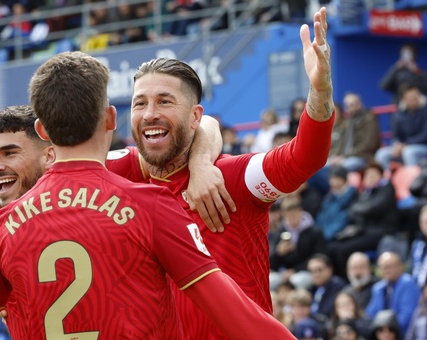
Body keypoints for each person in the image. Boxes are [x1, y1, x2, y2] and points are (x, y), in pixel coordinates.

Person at [0, 52, 294, 339]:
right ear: (111, 119)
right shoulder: (150, 205)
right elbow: (239, 317)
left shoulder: (4, 225)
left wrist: (201, 159)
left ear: (42, 130)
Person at [0, 107, 227, 335]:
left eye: (10, 153)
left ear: (50, 154)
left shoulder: (106, 173)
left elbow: (203, 126)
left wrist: (199, 166)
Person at [122, 7, 334, 338]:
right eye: (139, 103)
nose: (149, 114)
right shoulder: (118, 181)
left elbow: (303, 158)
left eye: (165, 102)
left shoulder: (234, 179)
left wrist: (320, 93)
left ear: (194, 116)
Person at [366, 252, 421, 334]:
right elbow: (370, 316)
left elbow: (407, 317)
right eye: (383, 268)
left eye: (389, 267)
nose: (386, 271)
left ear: (400, 266)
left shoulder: (408, 284)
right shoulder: (378, 288)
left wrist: (388, 332)